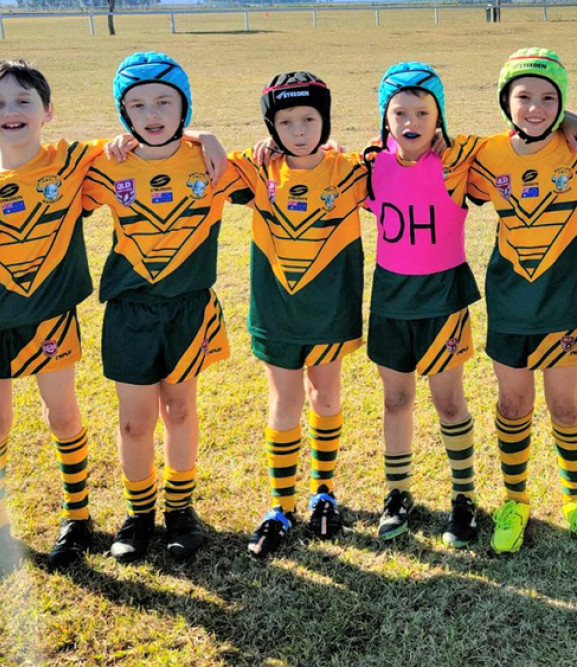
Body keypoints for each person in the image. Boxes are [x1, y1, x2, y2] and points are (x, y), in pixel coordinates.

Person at [466, 48, 577, 553]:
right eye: (524, 97)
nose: (535, 108)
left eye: (548, 99)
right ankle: (515, 500)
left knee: (564, 405)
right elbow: (420, 153)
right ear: (505, 101)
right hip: (511, 301)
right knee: (513, 404)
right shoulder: (485, 154)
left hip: (567, 301)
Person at [82, 51, 236, 563]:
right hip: (130, 311)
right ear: (124, 113)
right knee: (134, 422)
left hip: (187, 310)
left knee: (180, 409)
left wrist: (206, 135)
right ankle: (139, 513)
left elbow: (283, 165)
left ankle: (180, 510)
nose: (152, 113)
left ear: (184, 105)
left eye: (165, 101)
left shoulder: (211, 161)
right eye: (138, 104)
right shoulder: (107, 163)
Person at [227, 72, 368, 559]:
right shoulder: (255, 170)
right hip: (277, 311)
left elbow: (412, 159)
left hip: (330, 309)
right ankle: (279, 506)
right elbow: (192, 160)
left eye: (310, 118)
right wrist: (203, 135)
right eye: (286, 121)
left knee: (325, 395)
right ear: (272, 127)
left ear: (325, 120)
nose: (300, 130)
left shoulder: (351, 170)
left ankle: (324, 491)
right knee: (285, 401)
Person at [364, 62, 486, 547]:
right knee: (396, 399)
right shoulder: (370, 166)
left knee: (448, 401)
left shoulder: (457, 165)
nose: (411, 122)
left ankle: (464, 497)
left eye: (422, 112)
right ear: (385, 118)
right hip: (390, 297)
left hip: (443, 296)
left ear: (439, 119)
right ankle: (398, 494)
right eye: (400, 112)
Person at [0, 59, 105, 573]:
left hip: (49, 317)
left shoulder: (70, 163)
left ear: (48, 111)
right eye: (0, 103)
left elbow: (141, 147)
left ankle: (78, 515)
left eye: (23, 101)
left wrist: (205, 134)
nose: (11, 111)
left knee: (62, 415)